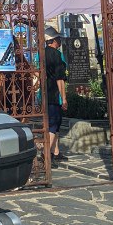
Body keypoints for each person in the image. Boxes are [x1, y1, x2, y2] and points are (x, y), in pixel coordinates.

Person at [44, 26, 68, 165]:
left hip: (45, 93)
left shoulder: (41, 53)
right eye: (57, 39)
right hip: (54, 93)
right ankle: (46, 154)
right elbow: (60, 78)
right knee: (54, 124)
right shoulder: (56, 54)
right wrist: (63, 98)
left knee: (54, 123)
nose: (59, 41)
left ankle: (55, 152)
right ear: (52, 41)